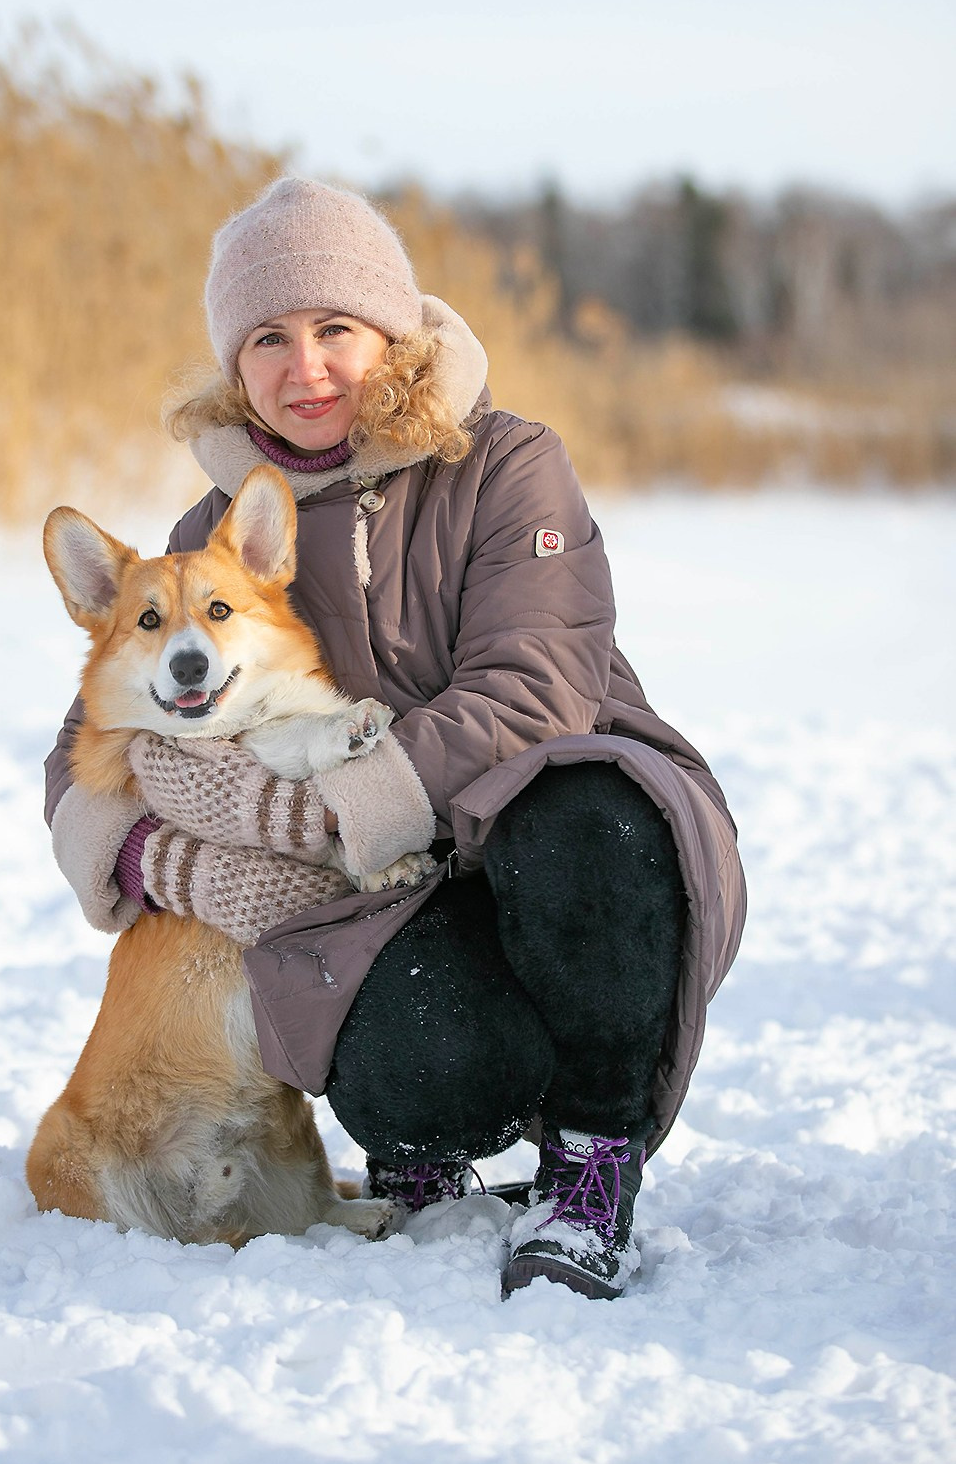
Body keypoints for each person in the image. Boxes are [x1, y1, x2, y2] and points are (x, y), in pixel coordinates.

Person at [45, 177, 746, 1299]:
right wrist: (157, 856)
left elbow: (535, 688)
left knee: (583, 807)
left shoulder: (507, 463)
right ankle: (430, 1152)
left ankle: (591, 1161)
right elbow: (86, 743)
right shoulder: (210, 542)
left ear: (392, 333)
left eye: (336, 328)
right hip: (399, 887)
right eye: (268, 337)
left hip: (569, 846)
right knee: (408, 1075)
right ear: (237, 364)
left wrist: (322, 810)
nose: (305, 365)